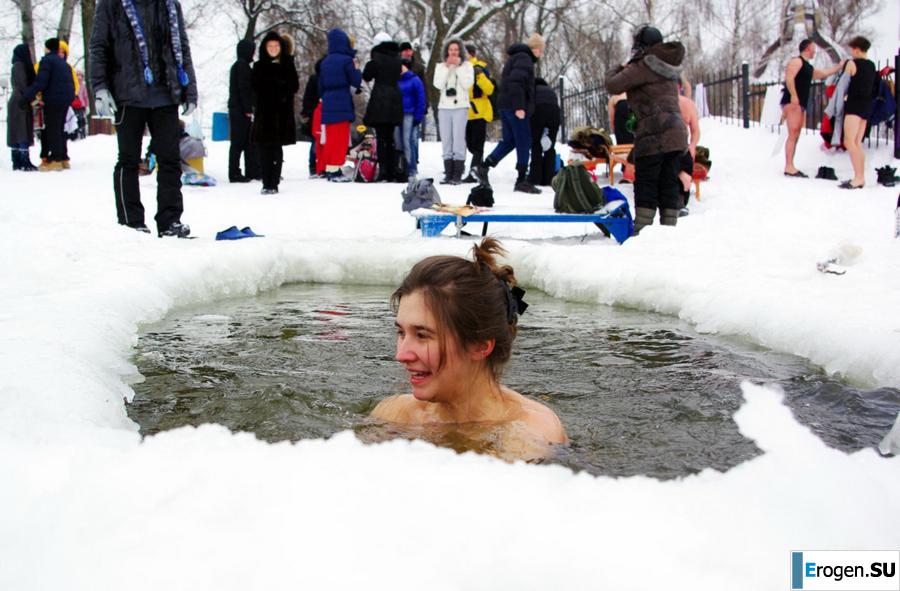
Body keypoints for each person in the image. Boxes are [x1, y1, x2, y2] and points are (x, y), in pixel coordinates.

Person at [371, 238, 567, 462]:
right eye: (401, 333)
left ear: (480, 345)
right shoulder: (396, 415)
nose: (401, 355)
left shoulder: (529, 432)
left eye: (423, 335)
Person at [90, 0, 198, 237]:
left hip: (166, 94)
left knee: (169, 159)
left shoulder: (170, 5)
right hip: (128, 95)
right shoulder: (111, 5)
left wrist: (190, 90)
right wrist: (99, 87)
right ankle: (131, 221)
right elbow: (99, 47)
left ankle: (170, 221)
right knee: (128, 159)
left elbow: (183, 48)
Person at [605, 25, 687, 233]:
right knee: (668, 182)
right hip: (676, 133)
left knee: (646, 183)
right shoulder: (668, 67)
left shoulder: (644, 65)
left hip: (654, 133)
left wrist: (620, 66)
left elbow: (613, 85)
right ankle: (669, 231)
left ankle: (642, 234)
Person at [475, 33, 545, 194]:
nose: (540, 54)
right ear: (535, 49)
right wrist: (520, 106)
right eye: (540, 50)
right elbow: (516, 82)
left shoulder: (516, 57)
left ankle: (484, 166)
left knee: (510, 141)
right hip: (515, 107)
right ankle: (521, 180)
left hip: (506, 105)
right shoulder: (525, 59)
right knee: (523, 141)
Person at [781, 38, 844, 178]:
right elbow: (789, 78)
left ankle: (790, 165)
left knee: (796, 133)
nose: (815, 51)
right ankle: (789, 166)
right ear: (807, 48)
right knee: (793, 133)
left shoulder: (808, 67)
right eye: (813, 48)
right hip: (793, 102)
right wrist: (793, 95)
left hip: (800, 103)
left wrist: (839, 66)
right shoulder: (796, 61)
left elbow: (823, 74)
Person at [251, 31, 299, 195]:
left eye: (276, 46)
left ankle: (274, 182)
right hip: (264, 114)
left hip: (281, 114)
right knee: (264, 149)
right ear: (265, 47)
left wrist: (282, 87)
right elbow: (254, 87)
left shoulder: (287, 64)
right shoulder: (259, 66)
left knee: (276, 148)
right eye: (270, 46)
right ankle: (266, 182)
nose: (273, 49)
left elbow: (294, 86)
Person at [23, 38, 74, 173]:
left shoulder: (47, 61)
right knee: (60, 128)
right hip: (66, 99)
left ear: (47, 48)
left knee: (53, 129)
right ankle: (63, 159)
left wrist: (28, 95)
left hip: (53, 99)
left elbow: (41, 82)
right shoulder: (64, 64)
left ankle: (56, 160)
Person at [319, 28, 362, 182]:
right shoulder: (346, 60)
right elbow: (356, 81)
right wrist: (356, 68)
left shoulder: (325, 62)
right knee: (341, 139)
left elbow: (320, 86)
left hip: (328, 103)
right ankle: (336, 169)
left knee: (330, 140)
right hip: (342, 101)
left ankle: (330, 169)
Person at [362, 32, 403, 182]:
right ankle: (392, 170)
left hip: (380, 98)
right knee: (391, 137)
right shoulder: (397, 60)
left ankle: (384, 170)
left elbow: (367, 76)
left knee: (381, 137)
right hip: (394, 98)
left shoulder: (376, 60)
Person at [839, 36, 878, 189]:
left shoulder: (852, 64)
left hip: (854, 105)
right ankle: (860, 177)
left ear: (856, 49)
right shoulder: (871, 66)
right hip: (866, 107)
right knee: (857, 143)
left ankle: (859, 177)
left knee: (849, 141)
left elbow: (844, 83)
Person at [433, 39, 474, 184]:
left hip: (460, 107)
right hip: (444, 107)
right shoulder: (440, 67)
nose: (453, 52)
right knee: (446, 141)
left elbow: (467, 84)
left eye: (456, 50)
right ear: (446, 51)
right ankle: (448, 173)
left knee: (458, 139)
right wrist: (447, 68)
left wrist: (458, 68)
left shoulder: (467, 66)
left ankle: (457, 174)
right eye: (451, 50)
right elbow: (438, 84)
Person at [228, 38, 260, 183]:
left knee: (247, 142)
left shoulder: (241, 65)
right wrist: (248, 109)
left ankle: (251, 171)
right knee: (239, 142)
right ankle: (234, 172)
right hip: (239, 110)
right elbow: (244, 89)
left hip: (239, 109)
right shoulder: (242, 66)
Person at [462, 43, 494, 183]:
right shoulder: (461, 69)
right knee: (470, 144)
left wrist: (479, 77)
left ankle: (474, 171)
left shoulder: (478, 69)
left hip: (479, 111)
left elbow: (489, 89)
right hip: (466, 112)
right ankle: (478, 169)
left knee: (477, 145)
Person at [7, 44, 38, 171]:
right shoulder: (20, 66)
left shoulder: (17, 65)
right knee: (22, 130)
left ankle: (17, 160)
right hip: (20, 101)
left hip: (18, 100)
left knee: (17, 130)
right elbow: (22, 85)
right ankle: (23, 160)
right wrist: (31, 97)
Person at [396, 59, 426, 179]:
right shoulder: (396, 80)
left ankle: (411, 167)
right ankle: (401, 166)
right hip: (398, 114)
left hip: (409, 113)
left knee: (407, 141)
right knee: (398, 141)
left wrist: (418, 116)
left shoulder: (414, 79)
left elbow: (421, 98)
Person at [528, 77, 560, 186]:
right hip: (555, 114)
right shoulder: (550, 91)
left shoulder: (533, 90)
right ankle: (549, 178)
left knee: (536, 145)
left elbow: (529, 106)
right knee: (550, 147)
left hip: (538, 112)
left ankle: (535, 178)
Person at [300, 57, 324, 177]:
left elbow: (307, 97)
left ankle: (317, 166)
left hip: (315, 112)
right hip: (316, 113)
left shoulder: (315, 78)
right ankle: (314, 166)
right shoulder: (316, 79)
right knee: (317, 140)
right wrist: (308, 112)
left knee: (318, 140)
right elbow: (308, 97)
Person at [677, 88, 700, 211]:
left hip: (681, 147)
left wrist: (692, 145)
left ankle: (680, 199)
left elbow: (695, 131)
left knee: (685, 164)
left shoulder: (687, 104)